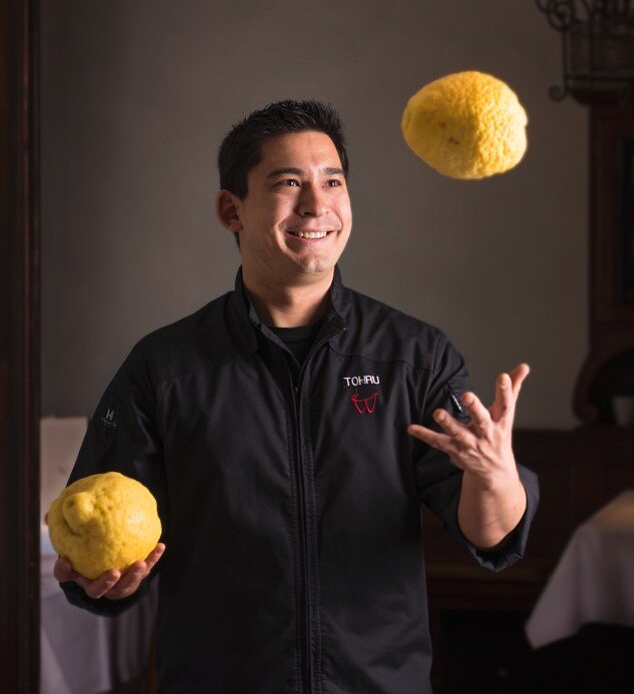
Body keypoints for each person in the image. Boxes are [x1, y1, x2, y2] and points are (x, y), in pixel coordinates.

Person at [53, 99, 539, 693]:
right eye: (289, 183)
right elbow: (97, 531)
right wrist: (99, 580)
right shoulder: (165, 367)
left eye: (333, 181)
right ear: (231, 209)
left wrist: (494, 474)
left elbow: (490, 533)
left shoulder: (412, 356)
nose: (317, 204)